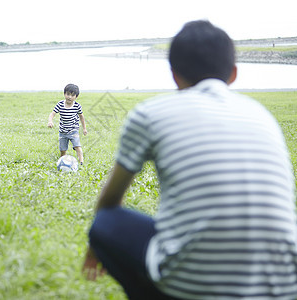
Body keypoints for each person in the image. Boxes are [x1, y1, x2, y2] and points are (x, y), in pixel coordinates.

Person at [83, 20, 297, 299]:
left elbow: (109, 203)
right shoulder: (262, 115)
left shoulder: (150, 113)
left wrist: (94, 245)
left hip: (190, 285)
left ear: (174, 74)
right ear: (233, 73)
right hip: (285, 286)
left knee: (105, 223)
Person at [47, 83, 87, 165]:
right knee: (63, 150)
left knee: (77, 146)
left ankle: (81, 162)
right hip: (63, 131)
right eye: (68, 94)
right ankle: (62, 163)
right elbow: (52, 114)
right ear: (64, 94)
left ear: (76, 96)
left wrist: (84, 128)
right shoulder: (60, 104)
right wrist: (50, 121)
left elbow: (81, 117)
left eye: (72, 95)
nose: (69, 97)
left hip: (73, 130)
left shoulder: (77, 106)